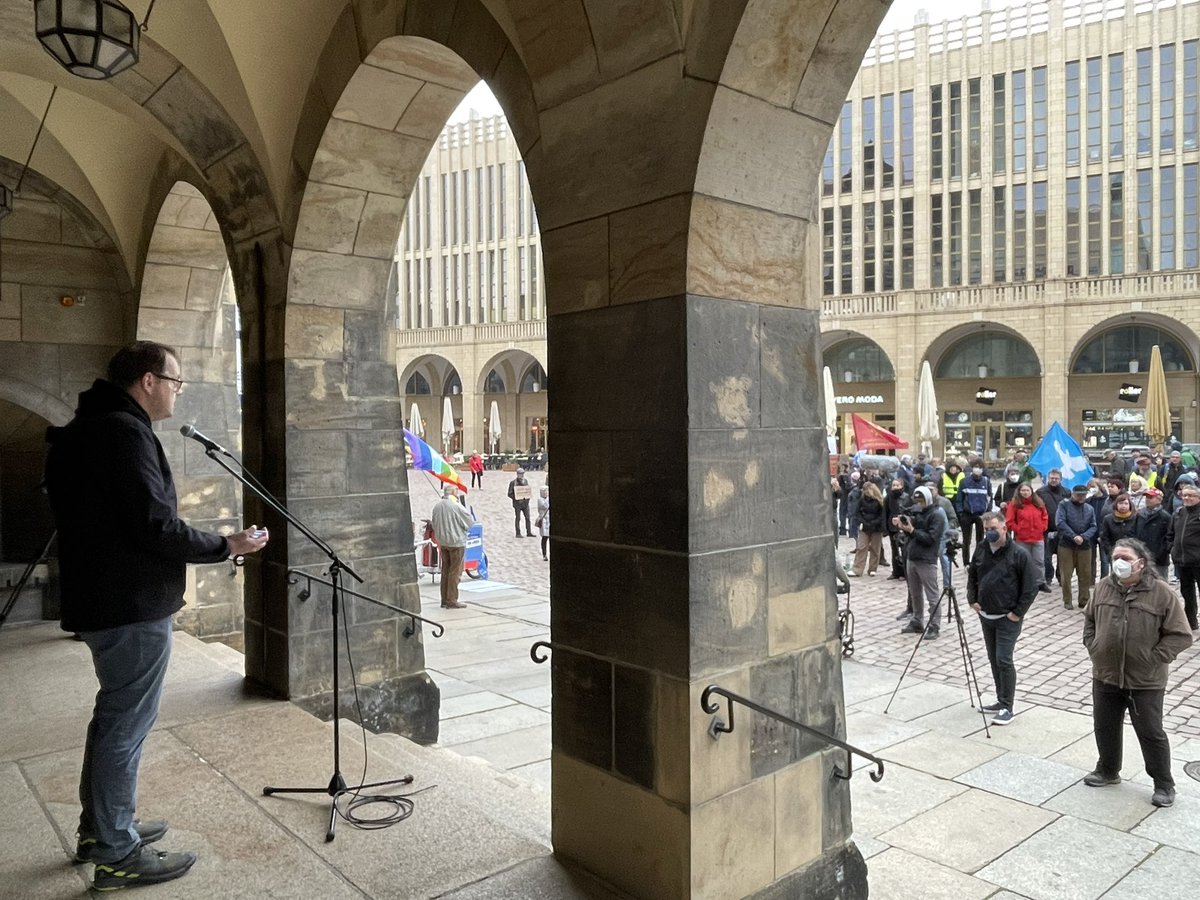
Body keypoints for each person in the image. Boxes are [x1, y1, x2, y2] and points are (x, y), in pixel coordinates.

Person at [44, 341, 269, 891]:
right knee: (124, 726)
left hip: (105, 599)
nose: (176, 391)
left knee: (114, 720)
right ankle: (116, 853)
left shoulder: (92, 425)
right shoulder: (123, 433)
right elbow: (154, 526)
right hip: (128, 603)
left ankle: (101, 829)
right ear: (147, 380)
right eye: (175, 381)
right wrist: (227, 545)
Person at [1082, 538, 1193, 808]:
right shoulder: (1104, 588)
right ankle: (1108, 770)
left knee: (1151, 731)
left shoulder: (1161, 592)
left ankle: (1164, 783)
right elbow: (1090, 621)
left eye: (1126, 558)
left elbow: (1181, 635)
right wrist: (1094, 647)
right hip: (1106, 674)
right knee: (1104, 725)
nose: (1119, 562)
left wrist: (1154, 658)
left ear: (1141, 563)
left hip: (1145, 680)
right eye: (1115, 556)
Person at [968, 511, 1038, 725]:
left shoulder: (1019, 554)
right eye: (986, 529)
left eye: (993, 529)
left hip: (1007, 618)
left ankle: (1007, 706)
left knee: (1004, 659)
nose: (989, 533)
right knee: (993, 658)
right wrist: (972, 599)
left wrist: (1017, 613)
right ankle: (1000, 700)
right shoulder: (981, 549)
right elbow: (973, 576)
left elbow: (1030, 587)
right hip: (986, 615)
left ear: (1004, 528)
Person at [898, 486, 947, 638]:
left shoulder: (936, 515)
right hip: (912, 556)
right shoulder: (917, 512)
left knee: (932, 594)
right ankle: (917, 620)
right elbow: (911, 532)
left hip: (926, 559)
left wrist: (912, 530)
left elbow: (931, 539)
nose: (920, 504)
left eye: (922, 501)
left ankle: (934, 625)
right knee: (915, 593)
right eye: (917, 501)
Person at [431, 483, 473, 608]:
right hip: (456, 542)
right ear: (453, 493)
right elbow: (469, 522)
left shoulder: (437, 506)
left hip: (443, 542)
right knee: (455, 572)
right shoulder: (456, 506)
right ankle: (452, 599)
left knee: (446, 570)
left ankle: (444, 599)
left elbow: (434, 523)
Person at [1057, 482, 1098, 610]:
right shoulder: (1063, 505)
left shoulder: (1089, 508)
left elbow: (1093, 526)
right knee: (1066, 574)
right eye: (1078, 495)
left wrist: (1084, 536)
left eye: (1083, 495)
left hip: (1084, 545)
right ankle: (1067, 599)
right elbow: (1060, 522)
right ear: (1073, 494)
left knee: (1085, 574)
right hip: (1066, 544)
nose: (1081, 497)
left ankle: (1084, 599)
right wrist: (1073, 536)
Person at [1006, 482, 1050, 593]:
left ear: (1031, 491)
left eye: (1027, 490)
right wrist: (1019, 529)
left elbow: (1045, 516)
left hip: (1038, 537)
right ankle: (1023, 583)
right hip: (1022, 539)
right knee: (1023, 562)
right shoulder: (1014, 504)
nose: (1025, 493)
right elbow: (1009, 521)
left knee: (1039, 561)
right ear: (1019, 492)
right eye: (1023, 490)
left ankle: (1040, 582)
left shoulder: (1038, 503)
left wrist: (1042, 527)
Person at [1167, 482, 1200, 630]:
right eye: (1184, 495)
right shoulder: (1178, 513)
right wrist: (1172, 549)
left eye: (1191, 495)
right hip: (1181, 560)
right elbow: (1170, 534)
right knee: (1187, 592)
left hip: (1198, 560)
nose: (1187, 498)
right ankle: (1191, 621)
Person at [956, 459, 993, 568]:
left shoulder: (986, 482)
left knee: (980, 540)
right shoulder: (964, 481)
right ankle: (966, 563)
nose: (977, 469)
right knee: (966, 540)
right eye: (975, 466)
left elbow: (990, 498)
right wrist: (960, 512)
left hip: (981, 514)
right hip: (967, 514)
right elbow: (959, 498)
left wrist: (988, 512)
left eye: (980, 467)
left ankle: (978, 560)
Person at [1036, 468, 1069, 586]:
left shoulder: (1067, 492)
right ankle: (1048, 577)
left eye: (1056, 478)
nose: (1054, 480)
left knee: (1062, 556)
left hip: (1062, 529)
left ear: (1060, 479)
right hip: (1045, 529)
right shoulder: (1040, 492)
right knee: (1046, 556)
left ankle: (1061, 577)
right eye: (1051, 478)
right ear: (1048, 478)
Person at [1134, 488, 1172, 580]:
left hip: (1159, 558)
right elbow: (1134, 531)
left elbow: (1169, 536)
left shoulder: (1165, 517)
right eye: (1146, 497)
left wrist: (1163, 551)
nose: (1147, 499)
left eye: (1150, 497)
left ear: (1159, 500)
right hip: (1141, 555)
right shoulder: (1140, 514)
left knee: (1160, 583)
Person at [851, 482, 886, 576]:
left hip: (876, 527)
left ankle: (872, 568)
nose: (865, 492)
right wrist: (862, 521)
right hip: (865, 526)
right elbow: (857, 512)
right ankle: (857, 569)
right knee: (861, 547)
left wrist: (875, 523)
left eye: (867, 490)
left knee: (875, 548)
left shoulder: (879, 501)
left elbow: (882, 515)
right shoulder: (861, 500)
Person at [884, 478, 911, 580]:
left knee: (904, 550)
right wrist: (885, 527)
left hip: (903, 526)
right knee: (894, 550)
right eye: (893, 485)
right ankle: (895, 571)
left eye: (897, 485)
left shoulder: (906, 497)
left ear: (902, 486)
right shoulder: (888, 497)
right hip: (893, 527)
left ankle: (905, 572)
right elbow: (885, 512)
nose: (895, 487)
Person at [507, 467, 534, 538]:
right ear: (517, 474)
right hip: (517, 504)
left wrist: (528, 498)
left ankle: (529, 532)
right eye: (520, 474)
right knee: (518, 518)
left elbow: (527, 491)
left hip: (525, 503)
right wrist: (516, 497)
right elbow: (509, 493)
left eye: (522, 474)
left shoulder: (525, 481)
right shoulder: (513, 482)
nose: (521, 475)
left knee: (528, 518)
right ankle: (518, 533)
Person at [536, 485, 550, 561]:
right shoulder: (540, 500)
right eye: (545, 491)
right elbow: (545, 506)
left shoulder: (548, 498)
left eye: (547, 491)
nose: (546, 493)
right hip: (544, 521)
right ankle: (544, 554)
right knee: (544, 538)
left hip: (549, 521)